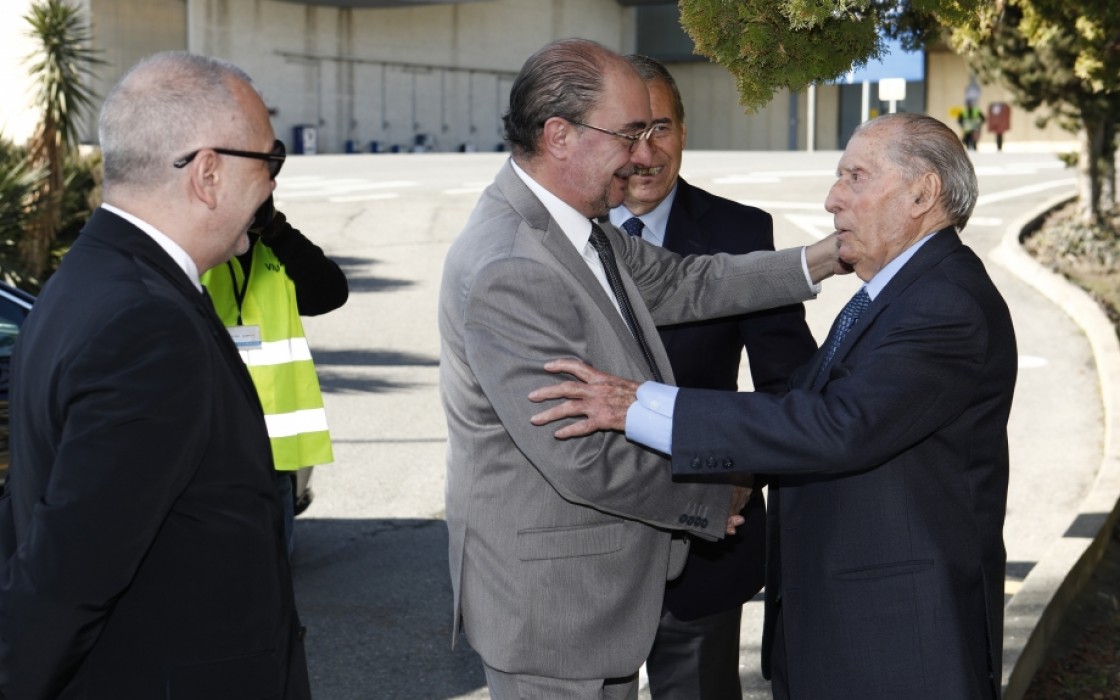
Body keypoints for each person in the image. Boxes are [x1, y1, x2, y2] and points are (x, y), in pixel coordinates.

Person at [530, 112, 1017, 699]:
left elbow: (836, 427)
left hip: (900, 644)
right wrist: (727, 473)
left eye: (855, 178)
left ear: (923, 193)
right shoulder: (899, 291)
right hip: (850, 633)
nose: (833, 199)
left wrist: (639, 405)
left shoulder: (945, 303)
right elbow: (802, 400)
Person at [439, 38, 842, 699]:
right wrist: (721, 493)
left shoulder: (580, 227)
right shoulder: (512, 265)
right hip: (556, 613)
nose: (640, 157)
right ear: (560, 135)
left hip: (599, 597)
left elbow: (691, 281)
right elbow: (582, 457)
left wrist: (823, 259)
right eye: (626, 134)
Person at [0, 52, 311, 699]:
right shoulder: (148, 326)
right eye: (270, 160)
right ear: (208, 173)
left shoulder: (86, 280)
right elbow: (64, 582)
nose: (273, 186)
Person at [608, 55, 816, 700]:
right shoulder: (562, 234)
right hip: (590, 542)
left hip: (704, 539)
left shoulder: (739, 231)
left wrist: (742, 472)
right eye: (628, 132)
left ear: (685, 132)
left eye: (661, 128)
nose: (646, 153)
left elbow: (789, 381)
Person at [201, 193, 348, 555]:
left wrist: (277, 229)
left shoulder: (276, 251)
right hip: (210, 454)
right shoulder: (198, 256)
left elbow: (330, 292)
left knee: (270, 583)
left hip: (275, 459)